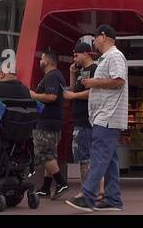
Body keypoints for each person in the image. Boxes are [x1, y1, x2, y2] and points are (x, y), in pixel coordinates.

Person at [66, 24, 128, 212]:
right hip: (105, 116)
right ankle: (112, 199)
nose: (93, 42)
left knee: (99, 156)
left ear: (103, 37)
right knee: (109, 160)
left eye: (94, 38)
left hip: (107, 116)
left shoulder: (115, 56)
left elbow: (119, 81)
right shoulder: (107, 58)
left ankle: (87, 196)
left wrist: (94, 82)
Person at [30, 50, 69, 199]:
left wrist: (34, 95)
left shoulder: (52, 76)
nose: (41, 61)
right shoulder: (55, 76)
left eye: (42, 59)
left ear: (48, 61)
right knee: (50, 154)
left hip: (47, 122)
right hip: (53, 121)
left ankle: (61, 183)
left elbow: (51, 97)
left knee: (43, 152)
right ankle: (45, 188)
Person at [63, 41, 99, 197]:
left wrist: (74, 96)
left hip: (86, 120)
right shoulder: (82, 72)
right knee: (83, 155)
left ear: (85, 54)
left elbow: (94, 92)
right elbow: (73, 90)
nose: (74, 59)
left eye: (76, 55)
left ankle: (87, 191)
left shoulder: (94, 70)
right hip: (79, 119)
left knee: (85, 156)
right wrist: (72, 74)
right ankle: (91, 190)